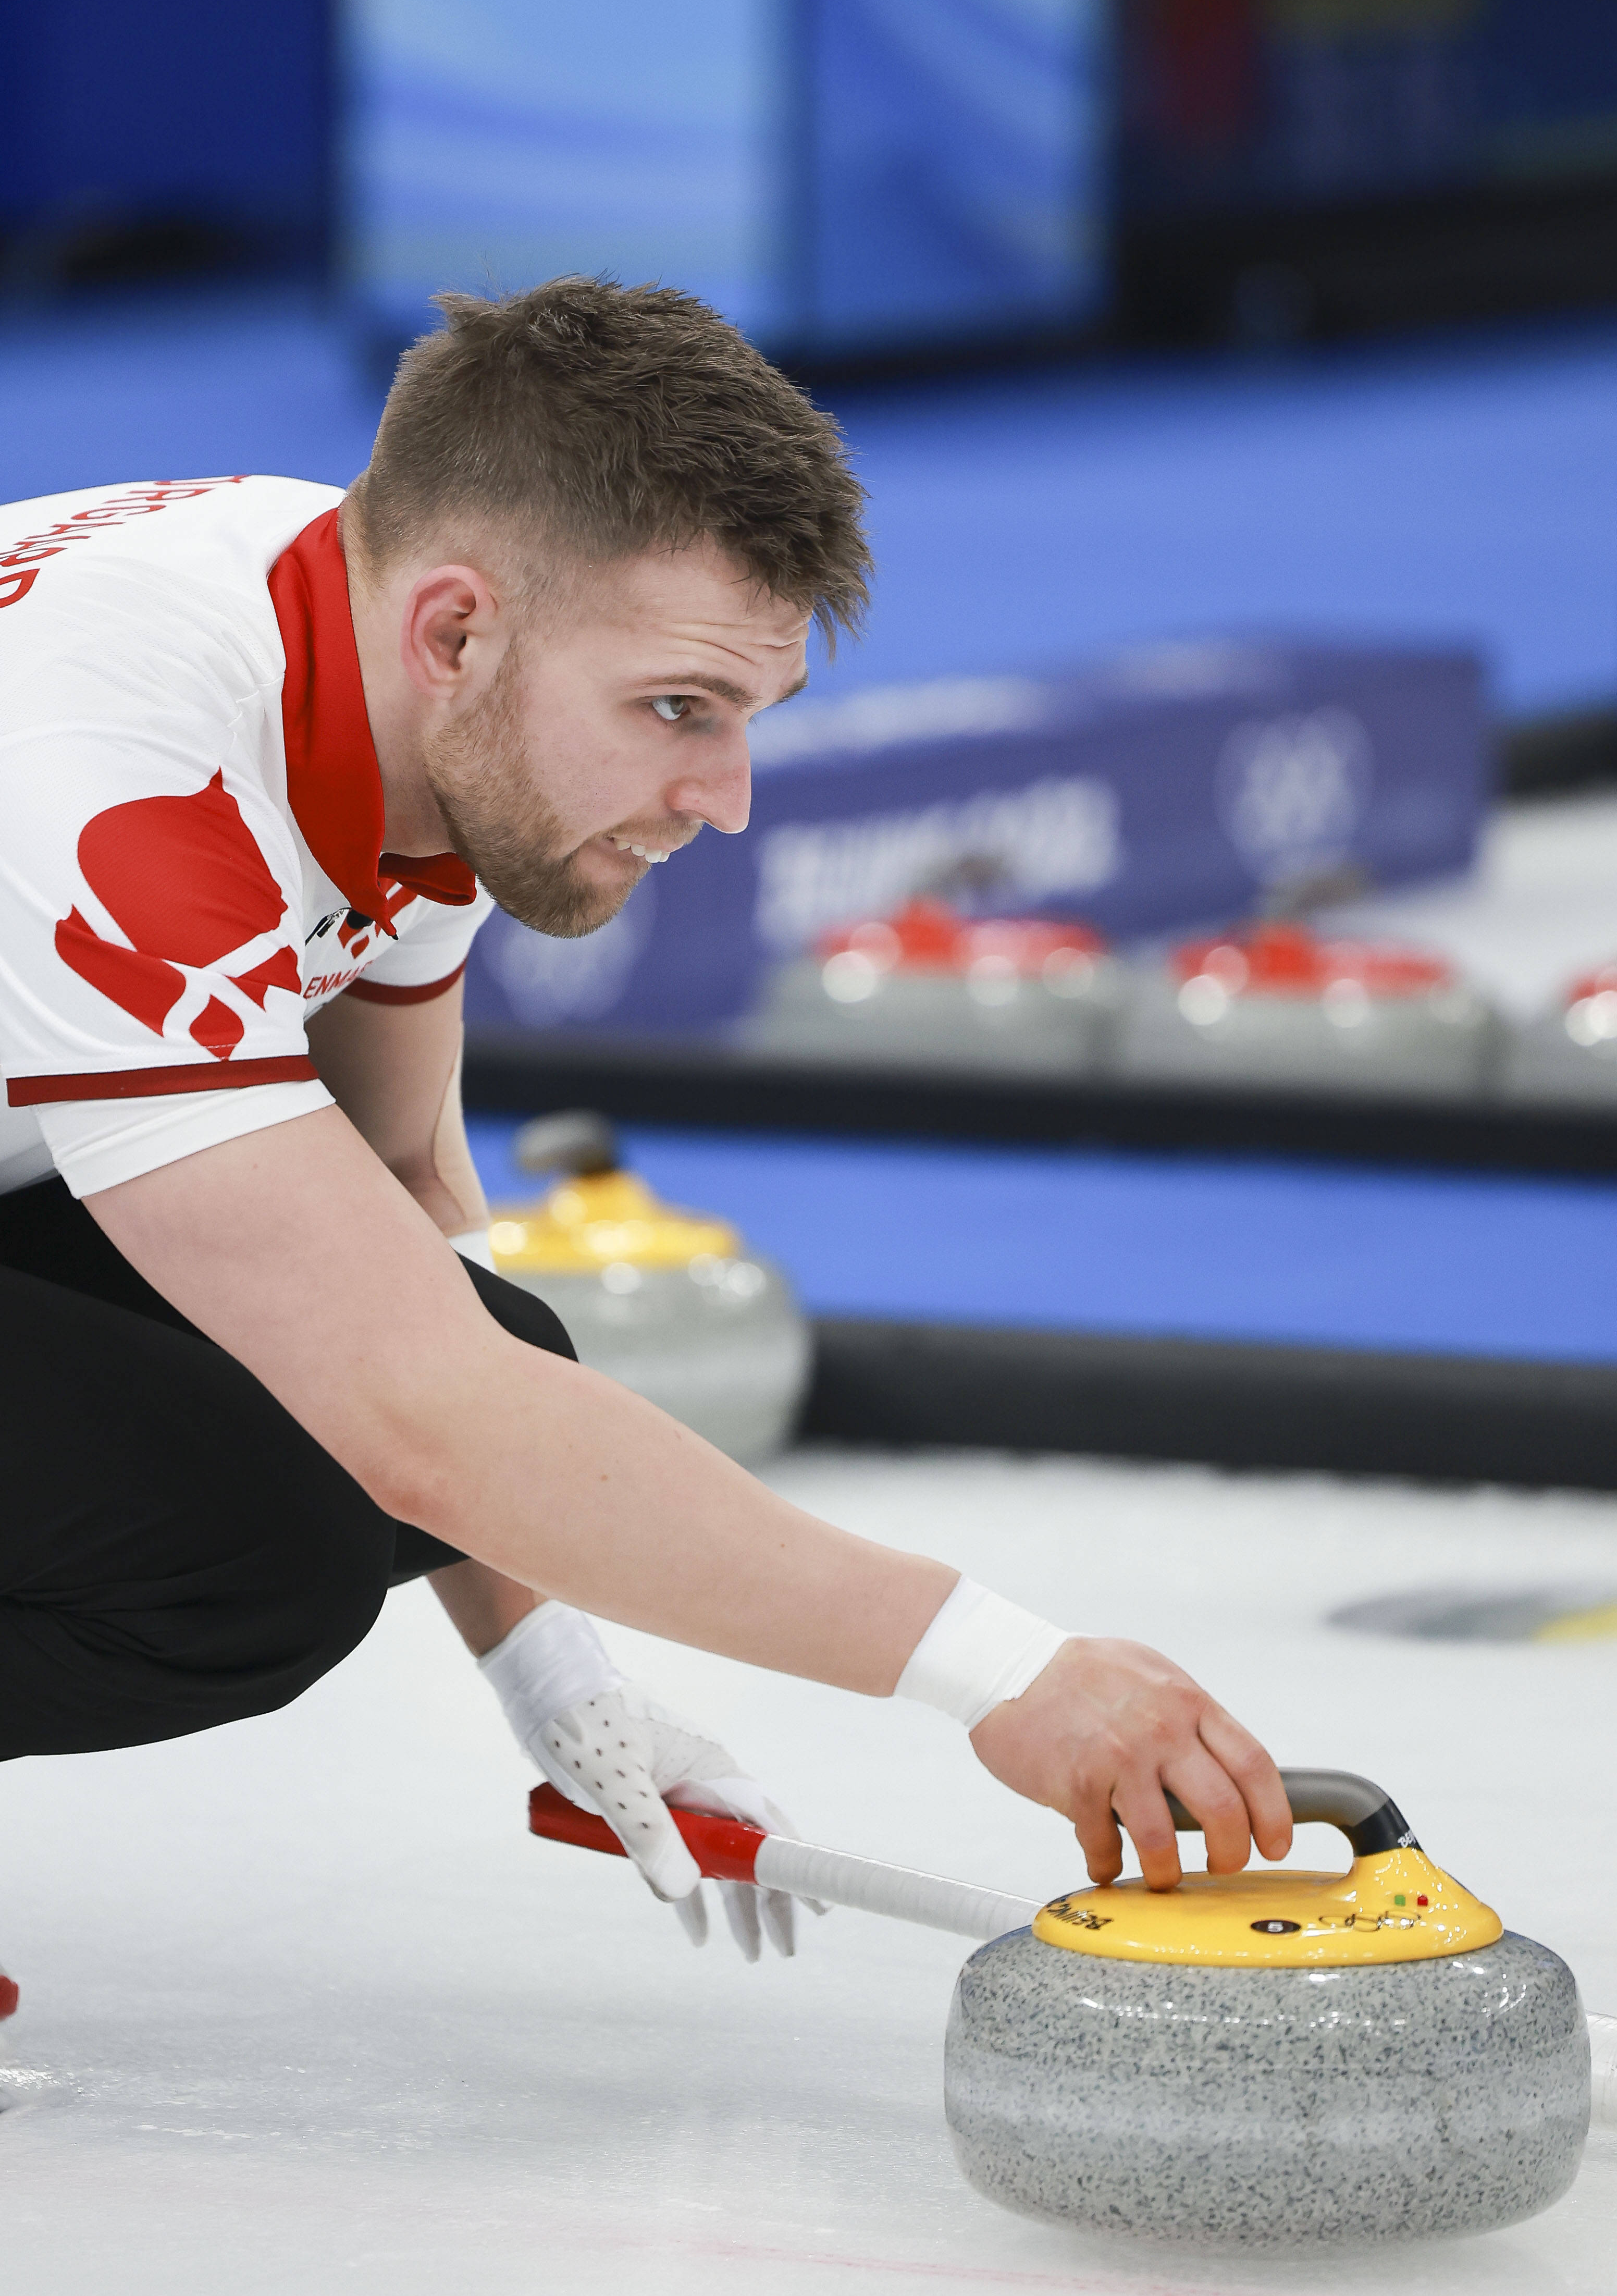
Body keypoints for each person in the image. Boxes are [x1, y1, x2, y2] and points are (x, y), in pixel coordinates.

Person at [0, 278, 1290, 2015]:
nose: (732, 794)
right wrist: (1008, 1670)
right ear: (457, 635)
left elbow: (401, 1226)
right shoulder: (115, 782)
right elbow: (421, 1424)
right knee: (245, 1557)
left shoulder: (392, 640)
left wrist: (556, 1673)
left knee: (495, 1344)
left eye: (752, 711)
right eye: (681, 709)